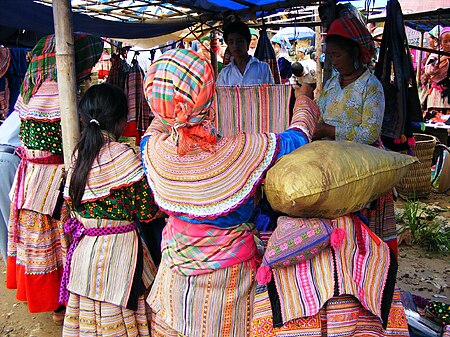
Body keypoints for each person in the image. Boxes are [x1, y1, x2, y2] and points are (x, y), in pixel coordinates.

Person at [141, 48, 319, 336]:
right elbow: (297, 139)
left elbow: (157, 125)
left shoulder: (152, 150)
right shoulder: (241, 151)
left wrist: (170, 111)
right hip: (229, 286)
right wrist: (302, 102)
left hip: (175, 281)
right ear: (211, 96)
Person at [6, 33, 103, 323]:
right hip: (52, 179)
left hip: (31, 177)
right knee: (60, 239)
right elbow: (71, 141)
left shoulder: (30, 89)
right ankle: (61, 302)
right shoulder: (60, 93)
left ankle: (54, 302)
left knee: (40, 241)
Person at [61, 83, 160, 336]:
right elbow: (147, 211)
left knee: (91, 322)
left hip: (85, 255)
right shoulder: (123, 156)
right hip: (121, 257)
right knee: (121, 319)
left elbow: (71, 205)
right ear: (120, 120)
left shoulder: (77, 158)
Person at [313, 16, 399, 254]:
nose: (333, 60)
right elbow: (319, 113)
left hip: (362, 165)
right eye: (330, 55)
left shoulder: (371, 87)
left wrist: (327, 131)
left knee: (364, 235)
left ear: (354, 53)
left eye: (337, 55)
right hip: (332, 164)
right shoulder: (331, 84)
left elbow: (369, 133)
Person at [216, 20, 274, 86]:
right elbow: (221, 95)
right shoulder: (224, 74)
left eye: (240, 41)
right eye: (231, 42)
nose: (235, 46)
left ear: (248, 42)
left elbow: (270, 93)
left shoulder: (263, 68)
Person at [0, 110, 21, 266]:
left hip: (5, 155)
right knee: (14, 225)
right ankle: (18, 275)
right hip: (9, 159)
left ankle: (13, 273)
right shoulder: (53, 99)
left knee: (4, 227)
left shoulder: (24, 101)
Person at [423, 26, 450, 118]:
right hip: (437, 95)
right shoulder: (435, 55)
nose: (448, 44)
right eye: (445, 41)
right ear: (441, 43)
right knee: (436, 118)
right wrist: (440, 61)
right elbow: (427, 70)